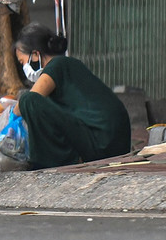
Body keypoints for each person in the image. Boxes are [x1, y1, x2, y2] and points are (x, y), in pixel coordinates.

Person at [9, 23, 131, 169]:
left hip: (102, 141)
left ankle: (48, 163)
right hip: (114, 142)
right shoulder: (69, 64)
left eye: (23, 62)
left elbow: (31, 100)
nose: (24, 68)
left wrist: (7, 119)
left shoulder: (57, 65)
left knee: (28, 100)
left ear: (35, 54)